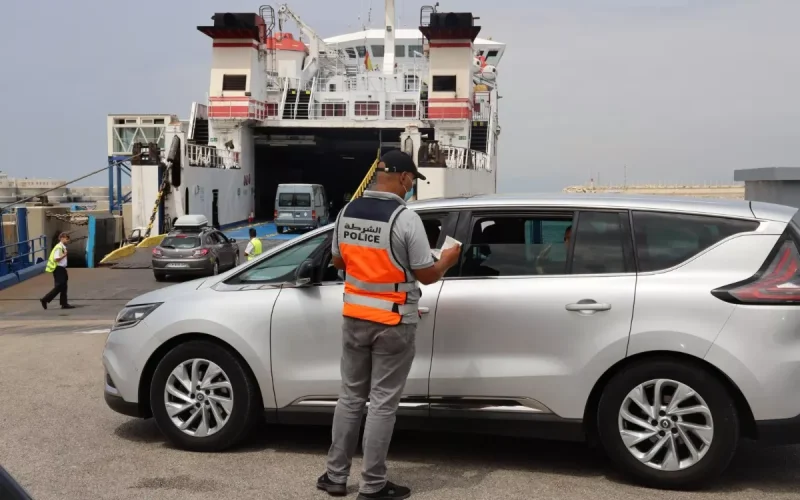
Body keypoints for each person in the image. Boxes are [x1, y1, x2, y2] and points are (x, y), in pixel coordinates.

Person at [316, 150, 461, 500]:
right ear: (405, 179)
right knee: (382, 403)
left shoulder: (347, 212)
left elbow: (338, 260)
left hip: (354, 317)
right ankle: (373, 485)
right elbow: (426, 276)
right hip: (393, 322)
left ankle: (335, 477)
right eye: (413, 181)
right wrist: (447, 260)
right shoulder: (404, 219)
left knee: (350, 397)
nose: (412, 188)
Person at [40, 232, 74, 310]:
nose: (68, 240)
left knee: (64, 286)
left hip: (62, 268)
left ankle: (64, 303)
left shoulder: (62, 247)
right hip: (58, 268)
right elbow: (56, 258)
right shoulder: (59, 247)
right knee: (59, 286)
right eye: (67, 238)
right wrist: (64, 255)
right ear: (62, 238)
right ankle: (45, 299)